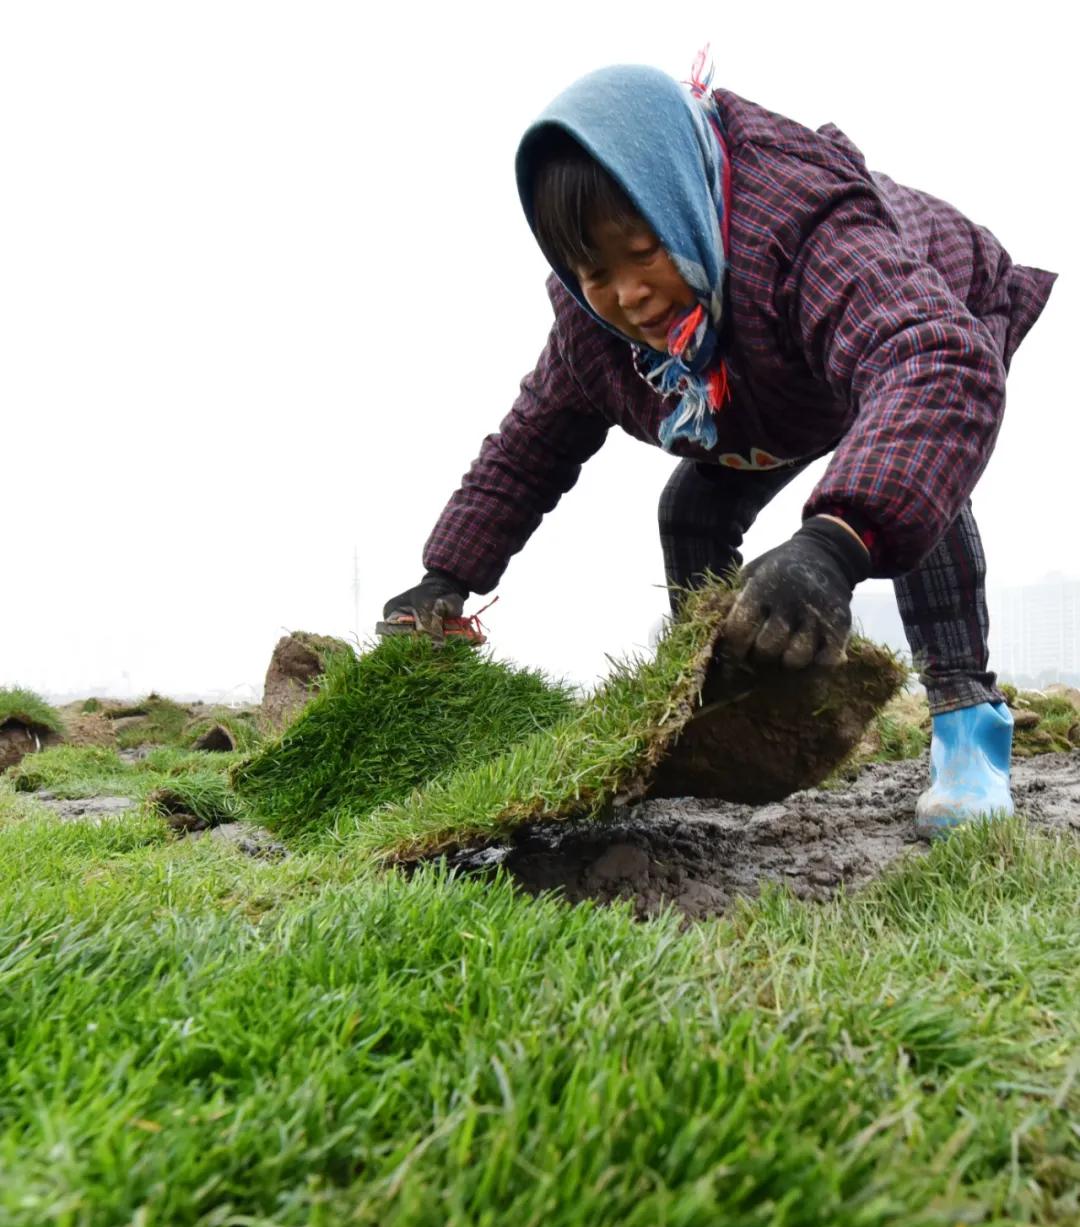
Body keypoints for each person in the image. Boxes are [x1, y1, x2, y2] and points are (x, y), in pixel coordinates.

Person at [382, 51, 1058, 839]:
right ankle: (722, 702)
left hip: (915, 322)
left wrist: (831, 548)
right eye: (595, 270)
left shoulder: (801, 225)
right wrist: (443, 578)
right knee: (691, 507)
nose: (628, 295)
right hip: (770, 384)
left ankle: (966, 728)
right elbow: (528, 447)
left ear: (681, 206)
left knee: (910, 484)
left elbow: (931, 361)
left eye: (643, 252)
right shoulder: (592, 331)